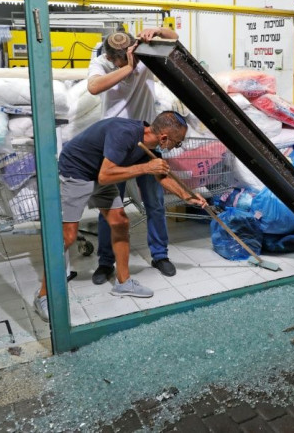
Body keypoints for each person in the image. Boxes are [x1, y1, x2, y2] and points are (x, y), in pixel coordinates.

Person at [33, 111, 208, 322]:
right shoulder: (124, 133)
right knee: (67, 236)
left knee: (120, 222)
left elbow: (161, 175)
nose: (174, 148)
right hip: (77, 172)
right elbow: (106, 175)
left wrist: (187, 196)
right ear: (163, 138)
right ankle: (43, 295)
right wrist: (145, 167)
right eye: (177, 143)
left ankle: (123, 282)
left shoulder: (148, 146)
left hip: (101, 176)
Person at [87, 26, 180, 284]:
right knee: (109, 207)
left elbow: (174, 40)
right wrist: (126, 68)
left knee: (155, 203)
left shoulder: (144, 56)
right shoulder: (101, 64)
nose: (133, 62)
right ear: (110, 58)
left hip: (147, 139)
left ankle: (160, 255)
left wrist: (158, 31)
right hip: (115, 144)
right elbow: (93, 88)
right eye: (123, 59)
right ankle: (106, 262)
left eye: (132, 57)